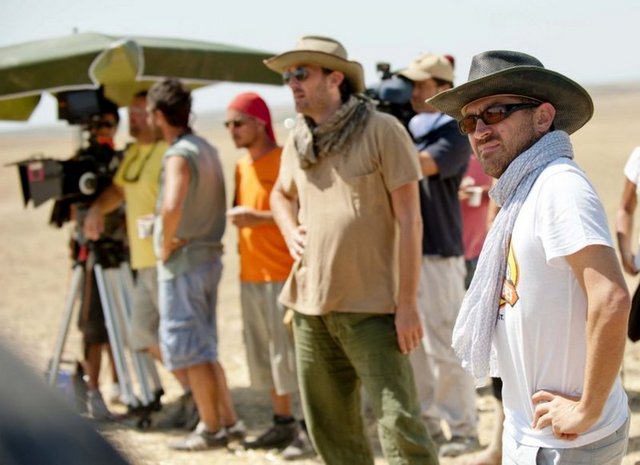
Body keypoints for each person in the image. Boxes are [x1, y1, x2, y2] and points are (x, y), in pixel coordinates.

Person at [429, 50, 630, 464]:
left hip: (568, 443)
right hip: (533, 435)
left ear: (543, 117)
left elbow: (611, 298)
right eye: (469, 121)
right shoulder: (521, 192)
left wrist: (587, 409)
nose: (480, 130)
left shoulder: (559, 187)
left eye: (495, 113)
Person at [266, 35, 438, 465]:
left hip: (373, 308)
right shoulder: (298, 139)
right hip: (309, 307)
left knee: (400, 424)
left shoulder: (382, 130)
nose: (292, 83)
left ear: (335, 78)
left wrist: (407, 303)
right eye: (288, 76)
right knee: (331, 430)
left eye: (301, 73)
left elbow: (411, 221)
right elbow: (279, 194)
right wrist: (288, 230)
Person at [83, 91, 199, 430]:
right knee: (142, 333)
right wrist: (96, 209)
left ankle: (200, 401)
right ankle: (193, 392)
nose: (133, 118)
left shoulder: (169, 152)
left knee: (177, 334)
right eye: (130, 112)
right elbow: (119, 191)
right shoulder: (134, 154)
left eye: (140, 112)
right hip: (142, 260)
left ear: (156, 116)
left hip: (168, 259)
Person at [146, 78, 243, 450]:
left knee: (191, 349)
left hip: (184, 264)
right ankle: (228, 422)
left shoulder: (179, 154)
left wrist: (164, 244)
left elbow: (172, 204)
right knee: (205, 346)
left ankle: (210, 428)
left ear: (159, 115)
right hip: (208, 258)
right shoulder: (205, 148)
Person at [224, 92, 314, 460]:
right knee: (265, 356)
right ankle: (283, 422)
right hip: (250, 275)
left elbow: (301, 214)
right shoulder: (240, 166)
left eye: (238, 123)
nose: (232, 130)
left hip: (282, 273)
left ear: (260, 123)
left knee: (291, 356)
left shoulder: (282, 160)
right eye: (227, 124)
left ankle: (309, 429)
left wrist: (257, 219)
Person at [397, 52, 479, 457]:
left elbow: (418, 166)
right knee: (411, 346)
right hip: (405, 252)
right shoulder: (409, 130)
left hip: (438, 252)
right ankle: (428, 423)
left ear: (443, 89)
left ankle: (463, 428)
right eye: (412, 85)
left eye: (421, 85)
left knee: (446, 346)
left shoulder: (455, 131)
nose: (413, 93)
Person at [64, 100, 125, 420]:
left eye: (107, 124)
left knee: (120, 323)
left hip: (120, 251)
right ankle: (92, 390)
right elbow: (68, 212)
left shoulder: (121, 162)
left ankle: (121, 385)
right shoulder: (81, 163)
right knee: (93, 325)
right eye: (97, 124)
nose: (102, 131)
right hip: (92, 256)